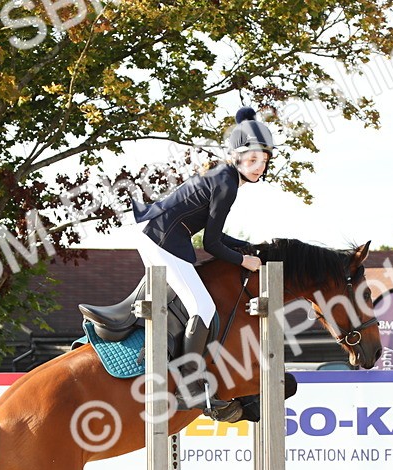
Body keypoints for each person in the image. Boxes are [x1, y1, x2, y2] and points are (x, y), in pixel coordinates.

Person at [91, 106, 273, 421]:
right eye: (253, 159)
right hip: (161, 238)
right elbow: (211, 243)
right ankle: (189, 385)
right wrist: (245, 260)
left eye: (264, 161)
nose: (259, 166)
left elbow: (215, 234)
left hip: (157, 233)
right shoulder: (227, 184)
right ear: (237, 157)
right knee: (203, 308)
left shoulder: (223, 175)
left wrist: (246, 247)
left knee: (194, 304)